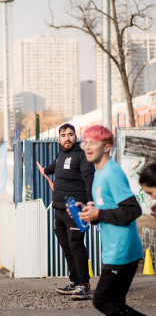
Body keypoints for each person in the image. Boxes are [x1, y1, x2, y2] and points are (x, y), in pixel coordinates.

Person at [76, 125, 156, 316]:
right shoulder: (99, 175)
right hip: (113, 251)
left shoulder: (112, 173)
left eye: (94, 142)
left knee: (102, 301)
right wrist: (88, 213)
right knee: (114, 306)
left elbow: (132, 210)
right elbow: (107, 211)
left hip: (122, 252)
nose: (87, 147)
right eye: (86, 142)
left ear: (108, 146)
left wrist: (99, 214)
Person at [41, 123, 95, 300]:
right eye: (63, 135)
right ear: (59, 139)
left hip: (75, 210)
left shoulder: (82, 156)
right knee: (67, 248)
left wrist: (90, 202)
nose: (67, 138)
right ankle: (74, 281)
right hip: (59, 209)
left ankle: (84, 285)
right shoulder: (60, 154)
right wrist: (45, 170)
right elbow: (54, 167)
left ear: (75, 136)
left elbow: (89, 179)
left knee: (77, 246)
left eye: (70, 134)